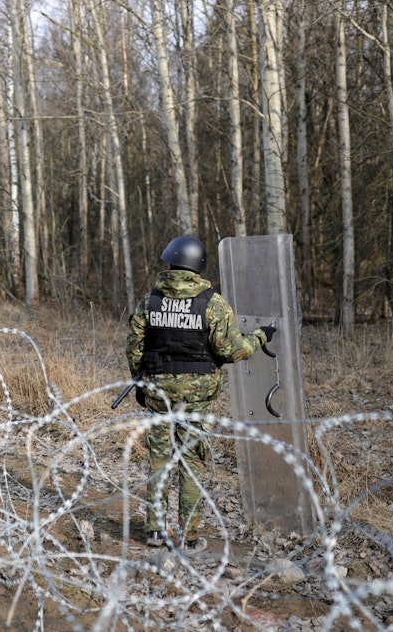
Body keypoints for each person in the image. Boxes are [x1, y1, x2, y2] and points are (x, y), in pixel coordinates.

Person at [125, 235, 276, 553]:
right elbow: (231, 351)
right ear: (198, 265)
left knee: (159, 459)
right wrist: (260, 337)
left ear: (170, 262)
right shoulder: (213, 303)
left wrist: (140, 384)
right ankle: (188, 537)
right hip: (196, 398)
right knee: (192, 461)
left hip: (159, 392)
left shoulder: (150, 301)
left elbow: (135, 348)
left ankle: (155, 531)